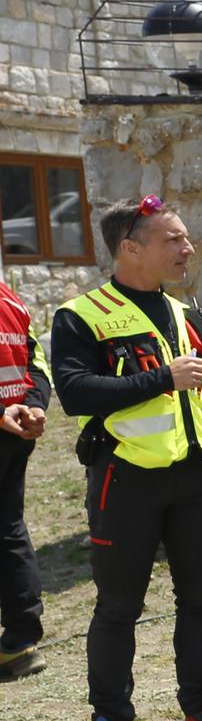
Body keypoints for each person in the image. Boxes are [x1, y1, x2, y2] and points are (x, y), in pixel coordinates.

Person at [51, 195, 202, 721]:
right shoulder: (80, 315)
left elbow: (201, 390)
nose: (188, 248)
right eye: (174, 239)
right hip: (125, 480)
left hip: (195, 478)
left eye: (185, 238)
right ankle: (109, 720)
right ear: (130, 249)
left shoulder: (184, 313)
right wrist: (165, 377)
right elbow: (75, 392)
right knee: (118, 606)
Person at [0, 274, 50, 681]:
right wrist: (32, 407)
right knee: (8, 528)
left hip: (8, 424)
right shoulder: (11, 300)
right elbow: (37, 364)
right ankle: (20, 643)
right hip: (16, 431)